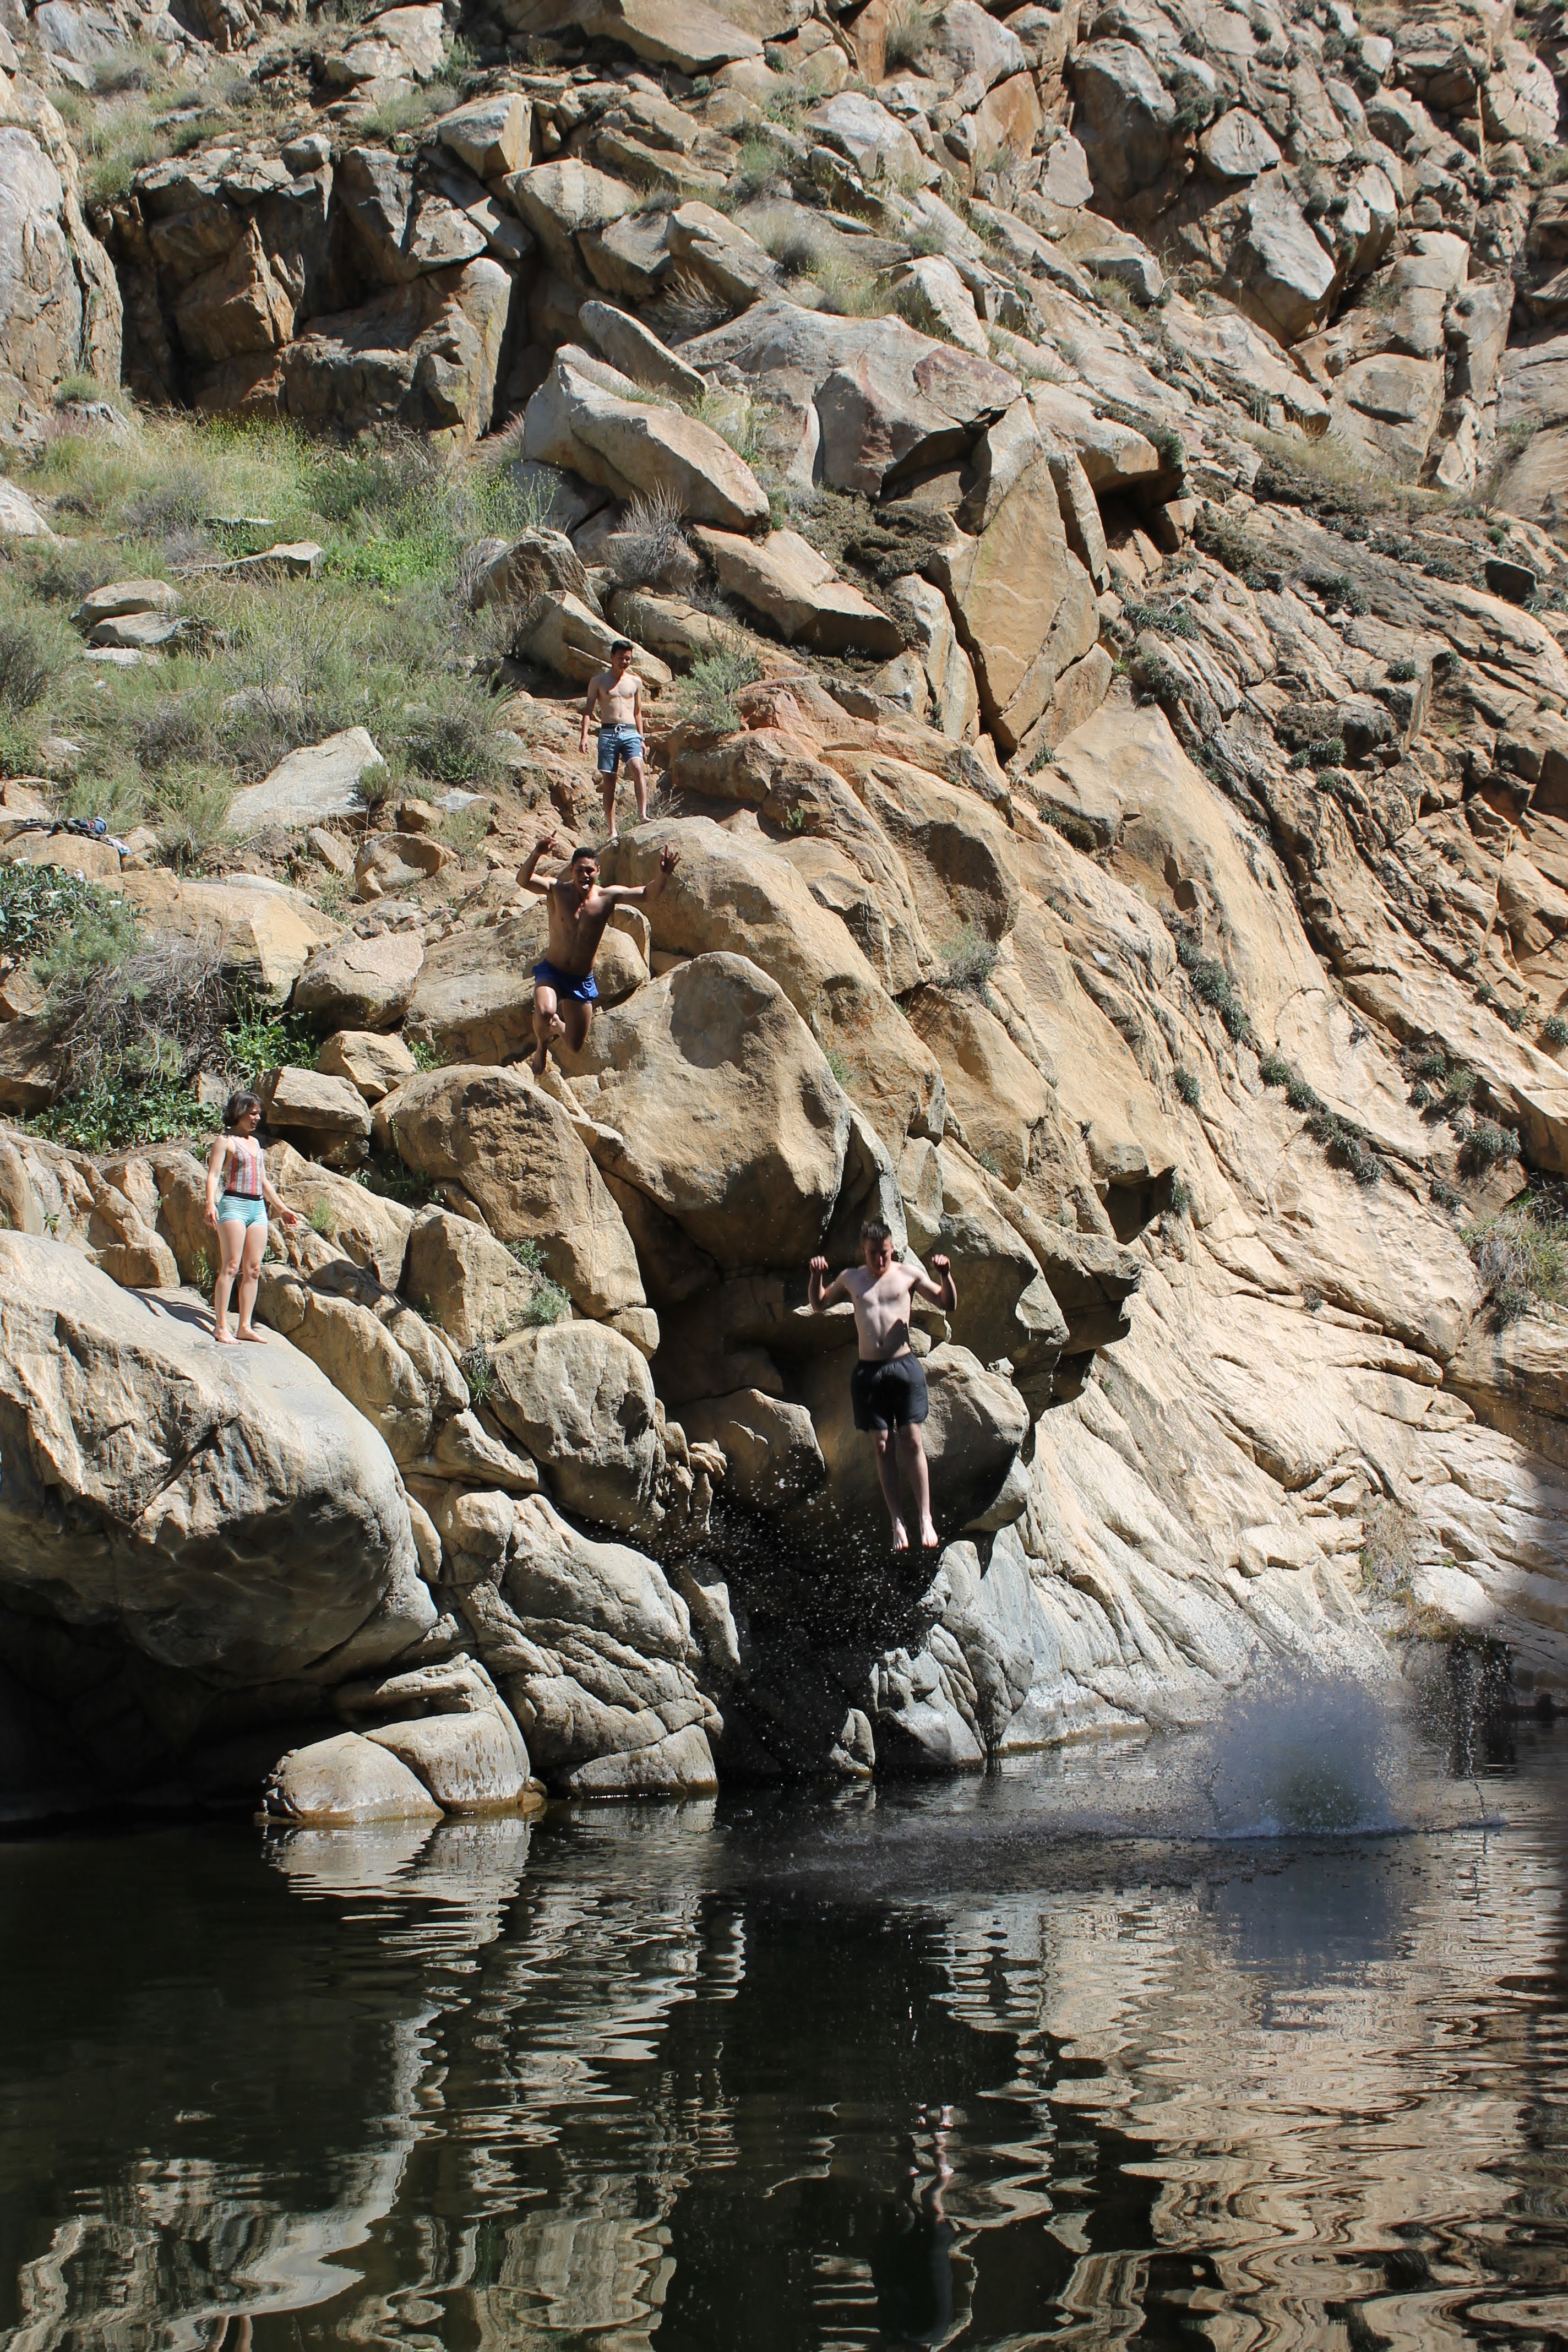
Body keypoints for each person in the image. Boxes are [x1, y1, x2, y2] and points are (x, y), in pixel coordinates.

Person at [808, 1221, 957, 1551]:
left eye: (885, 1254)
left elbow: (948, 1303)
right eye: (874, 1254)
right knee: (881, 1446)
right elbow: (819, 1303)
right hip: (869, 1373)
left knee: (913, 1440)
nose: (880, 1261)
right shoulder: (851, 1278)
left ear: (892, 1249)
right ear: (865, 1250)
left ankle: (925, 1517)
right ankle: (897, 1522)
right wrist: (817, 1276)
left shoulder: (908, 1274)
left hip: (903, 1368)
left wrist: (946, 1274)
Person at [518, 829, 680, 1076]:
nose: (585, 875)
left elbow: (647, 894)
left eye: (590, 871)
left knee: (574, 1045)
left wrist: (664, 875)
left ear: (598, 872)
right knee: (544, 1011)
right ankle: (542, 1044)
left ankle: (557, 1028)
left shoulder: (607, 897)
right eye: (580, 870)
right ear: (571, 870)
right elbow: (523, 880)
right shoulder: (557, 890)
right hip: (553, 971)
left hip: (581, 979)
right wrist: (537, 853)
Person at [203, 1091, 299, 1346]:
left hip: (257, 1208)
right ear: (239, 1112)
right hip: (233, 1204)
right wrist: (210, 1203)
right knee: (231, 1266)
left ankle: (245, 1326)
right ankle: (221, 1326)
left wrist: (281, 1208)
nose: (257, 1118)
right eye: (253, 1113)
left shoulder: (256, 1144)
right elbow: (213, 1175)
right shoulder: (224, 1141)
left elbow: (263, 1181)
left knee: (254, 1269)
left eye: (258, 1113)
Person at [580, 639, 647, 841]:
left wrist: (642, 738)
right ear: (611, 657)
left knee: (637, 767)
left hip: (630, 732)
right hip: (608, 732)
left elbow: (638, 712)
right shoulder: (599, 681)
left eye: (628, 659)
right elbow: (588, 710)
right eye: (621, 658)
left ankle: (643, 815)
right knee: (610, 781)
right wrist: (584, 736)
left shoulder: (635, 682)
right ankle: (612, 830)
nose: (625, 662)